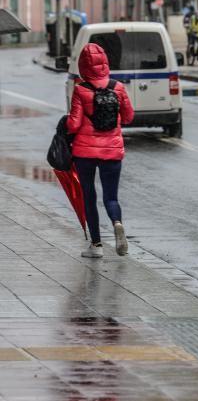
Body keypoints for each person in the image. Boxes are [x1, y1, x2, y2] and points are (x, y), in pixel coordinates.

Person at [67, 43, 134, 258]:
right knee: (111, 197)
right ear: (105, 62)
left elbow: (74, 125)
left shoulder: (80, 89)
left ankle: (96, 246)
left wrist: (67, 122)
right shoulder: (118, 87)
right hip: (112, 151)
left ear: (83, 66)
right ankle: (117, 223)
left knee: (88, 195)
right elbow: (129, 117)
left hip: (84, 153)